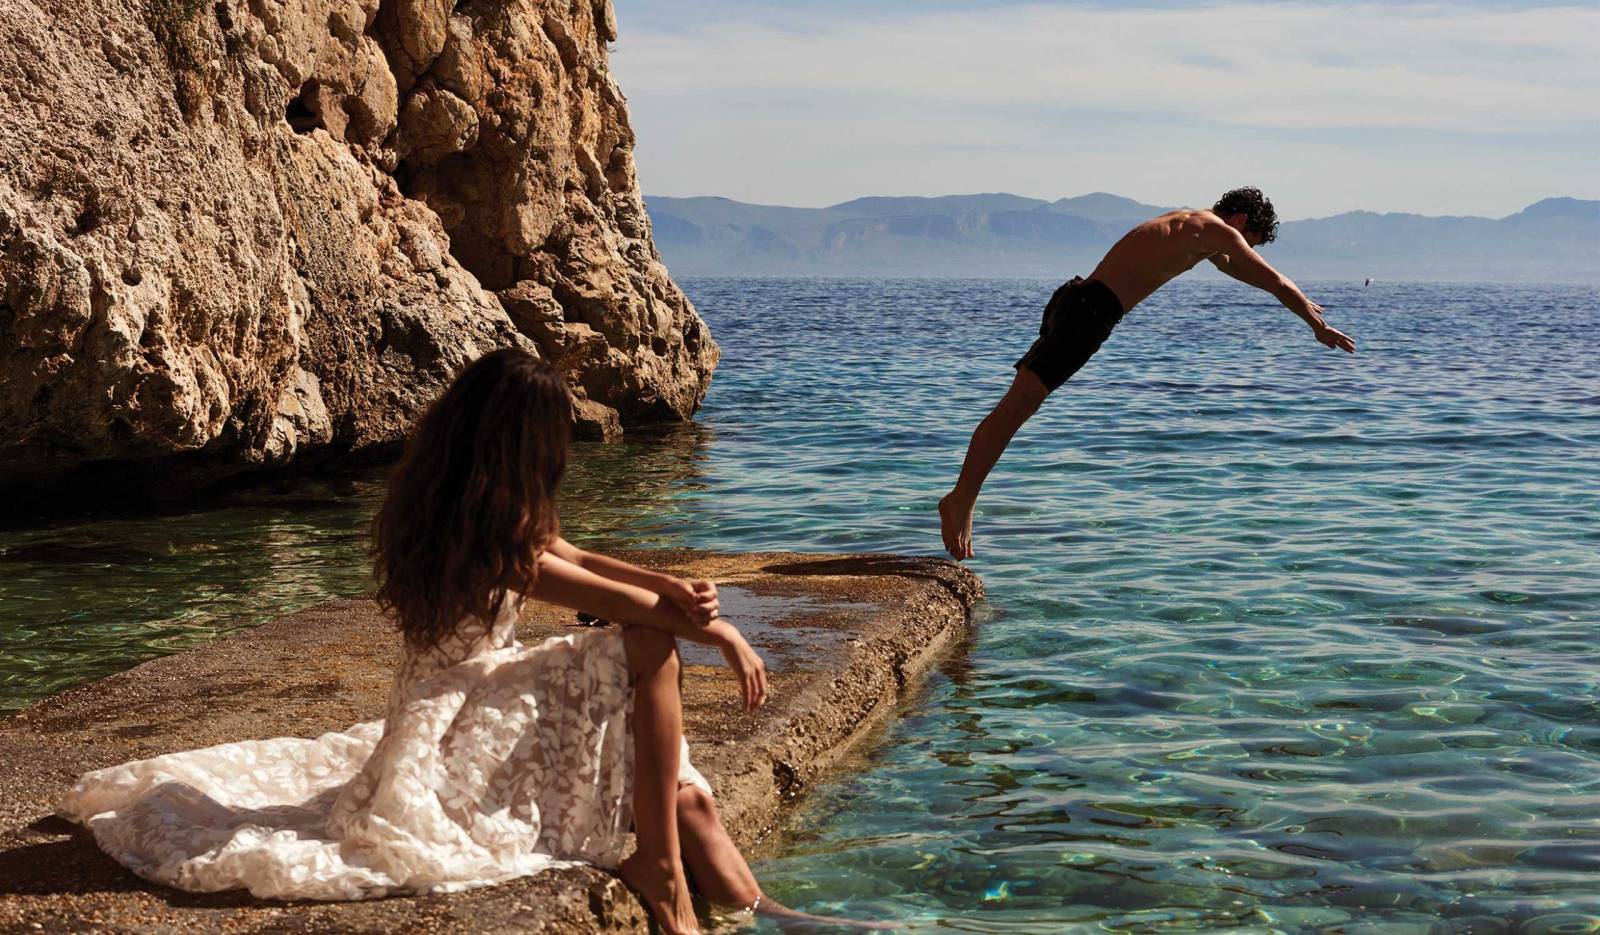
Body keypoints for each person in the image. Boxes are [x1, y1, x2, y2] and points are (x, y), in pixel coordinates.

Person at [58, 349, 880, 934]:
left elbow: (581, 556)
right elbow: (600, 597)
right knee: (650, 652)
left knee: (687, 791)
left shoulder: (466, 497)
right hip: (454, 718)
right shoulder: (486, 531)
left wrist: (670, 586)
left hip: (464, 691)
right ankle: (665, 879)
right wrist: (721, 627)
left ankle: (759, 907)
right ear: (521, 443)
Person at [938, 187, 1356, 560]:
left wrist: (1295, 304)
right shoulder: (1217, 231)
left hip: (1077, 299)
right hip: (1090, 314)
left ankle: (964, 498)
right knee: (1015, 410)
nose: (1244, 248)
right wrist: (1315, 324)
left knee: (1017, 407)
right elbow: (1273, 279)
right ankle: (962, 501)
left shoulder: (1190, 225)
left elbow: (1244, 272)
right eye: (1251, 242)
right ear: (1241, 221)